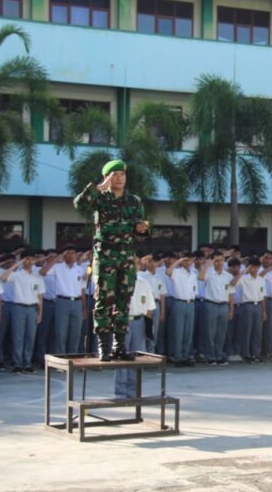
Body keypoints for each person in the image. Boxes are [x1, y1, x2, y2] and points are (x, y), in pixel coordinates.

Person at [72, 159, 149, 361]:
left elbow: (139, 228)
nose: (119, 178)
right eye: (114, 175)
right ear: (107, 177)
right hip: (105, 255)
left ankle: (119, 347)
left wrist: (143, 229)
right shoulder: (100, 198)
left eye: (122, 174)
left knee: (124, 301)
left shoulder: (134, 201)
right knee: (103, 301)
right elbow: (79, 203)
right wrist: (99, 188)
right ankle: (103, 348)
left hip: (126, 256)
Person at [114, 262, 155, 398]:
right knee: (121, 355)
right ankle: (120, 391)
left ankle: (134, 390)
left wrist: (148, 328)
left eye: (137, 263)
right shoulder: (119, 281)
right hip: (123, 321)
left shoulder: (144, 283)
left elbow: (149, 307)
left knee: (136, 356)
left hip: (139, 321)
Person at [0, 251, 45, 374]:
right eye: (26, 259)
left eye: (31, 259)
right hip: (19, 307)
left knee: (30, 337)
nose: (28, 262)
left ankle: (27, 363)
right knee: (18, 337)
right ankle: (17, 363)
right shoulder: (17, 275)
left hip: (32, 308)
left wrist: (40, 313)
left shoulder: (37, 276)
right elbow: (3, 277)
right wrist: (17, 264)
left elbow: (40, 296)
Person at [198, 251, 234, 365]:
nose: (219, 263)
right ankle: (210, 356)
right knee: (210, 332)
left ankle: (219, 354)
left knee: (221, 333)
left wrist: (231, 309)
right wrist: (207, 265)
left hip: (224, 305)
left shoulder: (228, 276)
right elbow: (200, 277)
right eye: (216, 260)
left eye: (221, 260)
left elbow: (230, 293)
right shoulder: (209, 273)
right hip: (211, 304)